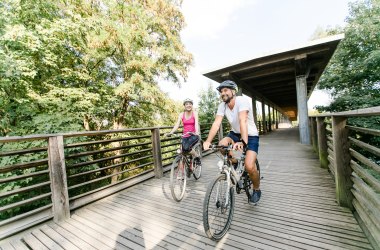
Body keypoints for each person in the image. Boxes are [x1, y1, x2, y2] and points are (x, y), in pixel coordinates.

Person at [203, 80, 261, 204]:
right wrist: (207, 141)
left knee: (250, 166)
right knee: (222, 145)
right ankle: (234, 162)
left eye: (225, 90)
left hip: (250, 135)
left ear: (233, 92)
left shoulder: (242, 101)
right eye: (221, 91)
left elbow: (243, 121)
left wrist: (243, 142)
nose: (223, 93)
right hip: (235, 133)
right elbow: (216, 123)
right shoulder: (222, 106)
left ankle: (256, 190)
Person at [166, 98, 201, 165]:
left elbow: (196, 124)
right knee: (183, 151)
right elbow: (177, 125)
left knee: (186, 148)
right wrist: (171, 132)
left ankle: (197, 156)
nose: (188, 105)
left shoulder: (195, 113)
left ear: (192, 105)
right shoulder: (181, 114)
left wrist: (197, 132)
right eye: (186, 104)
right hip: (185, 135)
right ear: (184, 106)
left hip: (193, 135)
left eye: (190, 104)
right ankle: (186, 167)